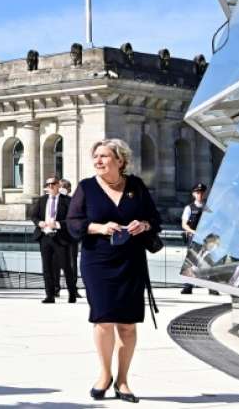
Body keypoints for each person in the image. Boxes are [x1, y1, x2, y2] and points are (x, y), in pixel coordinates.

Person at [67, 138, 161, 403]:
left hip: (131, 260)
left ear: (120, 160)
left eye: (104, 156)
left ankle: (123, 380)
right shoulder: (86, 187)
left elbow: (155, 219)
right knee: (103, 319)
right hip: (97, 260)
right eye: (96, 156)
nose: (98, 160)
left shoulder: (136, 186)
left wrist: (142, 225)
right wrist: (100, 227)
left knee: (128, 325)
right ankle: (105, 374)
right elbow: (73, 223)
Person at [31, 177, 75, 303]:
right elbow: (34, 216)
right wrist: (39, 223)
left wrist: (58, 224)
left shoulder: (67, 201)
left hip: (61, 237)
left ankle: (72, 293)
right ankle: (49, 295)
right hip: (45, 237)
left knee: (67, 267)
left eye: (53, 183)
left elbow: (72, 219)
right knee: (47, 267)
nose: (50, 186)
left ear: (58, 185)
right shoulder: (42, 200)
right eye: (48, 184)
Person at [180, 183, 210, 295]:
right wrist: (194, 232)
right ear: (193, 194)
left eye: (202, 192)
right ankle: (188, 286)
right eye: (197, 193)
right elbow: (184, 225)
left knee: (208, 261)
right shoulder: (189, 208)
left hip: (206, 238)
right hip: (194, 237)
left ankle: (212, 287)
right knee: (192, 262)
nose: (200, 195)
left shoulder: (207, 208)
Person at [60, 178, 82, 299]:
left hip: (71, 236)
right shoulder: (53, 201)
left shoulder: (73, 201)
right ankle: (55, 288)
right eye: (62, 187)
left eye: (66, 187)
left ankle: (73, 289)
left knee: (72, 263)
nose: (64, 189)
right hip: (58, 236)